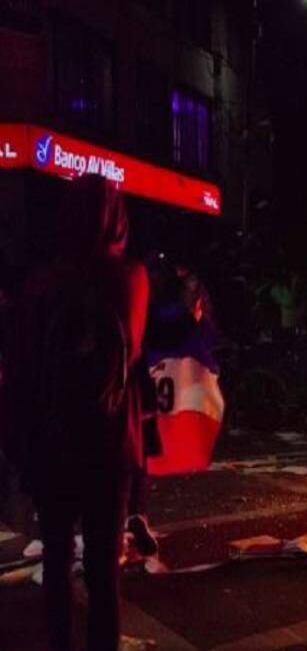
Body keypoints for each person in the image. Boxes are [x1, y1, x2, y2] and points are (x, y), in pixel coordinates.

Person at [4, 175, 149, 651]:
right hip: (110, 446)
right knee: (104, 573)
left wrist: (20, 445)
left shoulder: (40, 284)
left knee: (57, 561)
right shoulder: (132, 279)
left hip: (53, 444)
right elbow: (132, 353)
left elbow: (21, 369)